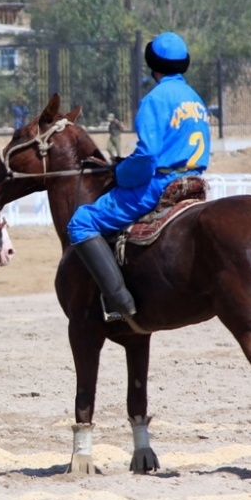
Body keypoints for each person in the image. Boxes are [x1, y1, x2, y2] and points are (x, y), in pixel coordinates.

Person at [67, 32, 210, 323]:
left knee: (81, 222)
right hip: (194, 181)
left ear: (152, 65)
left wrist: (120, 171)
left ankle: (119, 303)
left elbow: (146, 157)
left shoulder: (155, 99)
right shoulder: (195, 98)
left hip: (159, 185)